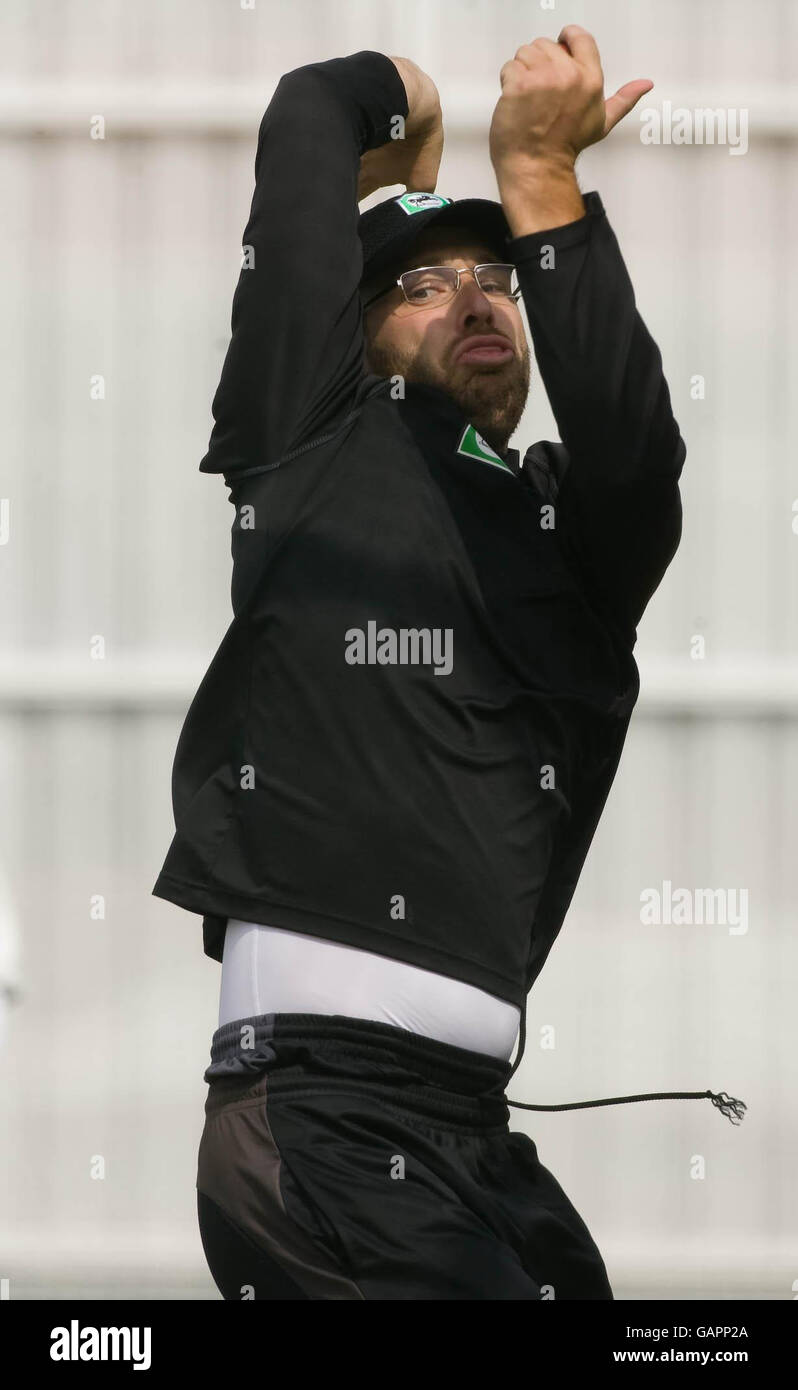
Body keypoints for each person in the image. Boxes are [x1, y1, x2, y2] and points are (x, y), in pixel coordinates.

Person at [153, 28, 741, 1300]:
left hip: (471, 1129)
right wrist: (407, 111)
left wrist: (543, 184)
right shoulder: (306, 439)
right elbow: (312, 111)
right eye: (421, 283)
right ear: (350, 338)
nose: (475, 294)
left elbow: (638, 453)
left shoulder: (570, 535)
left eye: (495, 273)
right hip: (323, 1122)